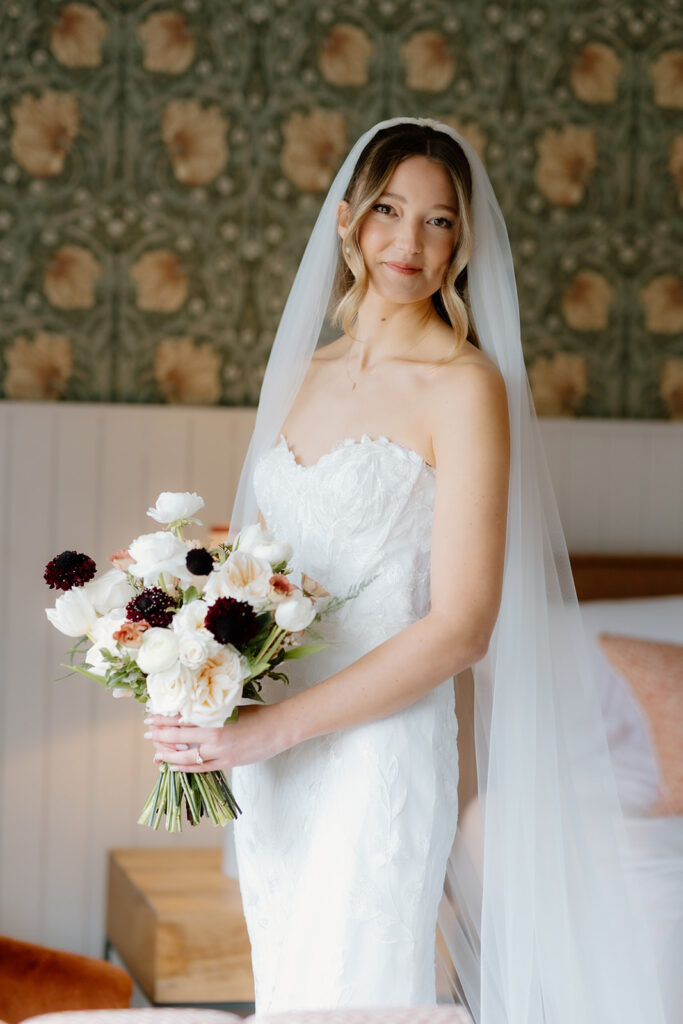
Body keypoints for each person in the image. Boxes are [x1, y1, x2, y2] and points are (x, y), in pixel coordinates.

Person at [145, 118, 667, 1022]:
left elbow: (463, 626)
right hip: (273, 757)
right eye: (389, 210)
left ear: (461, 243)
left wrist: (275, 732)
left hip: (372, 754)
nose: (409, 242)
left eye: (439, 221)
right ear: (347, 220)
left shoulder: (464, 387)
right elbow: (259, 578)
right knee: (288, 995)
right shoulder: (308, 372)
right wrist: (198, 677)